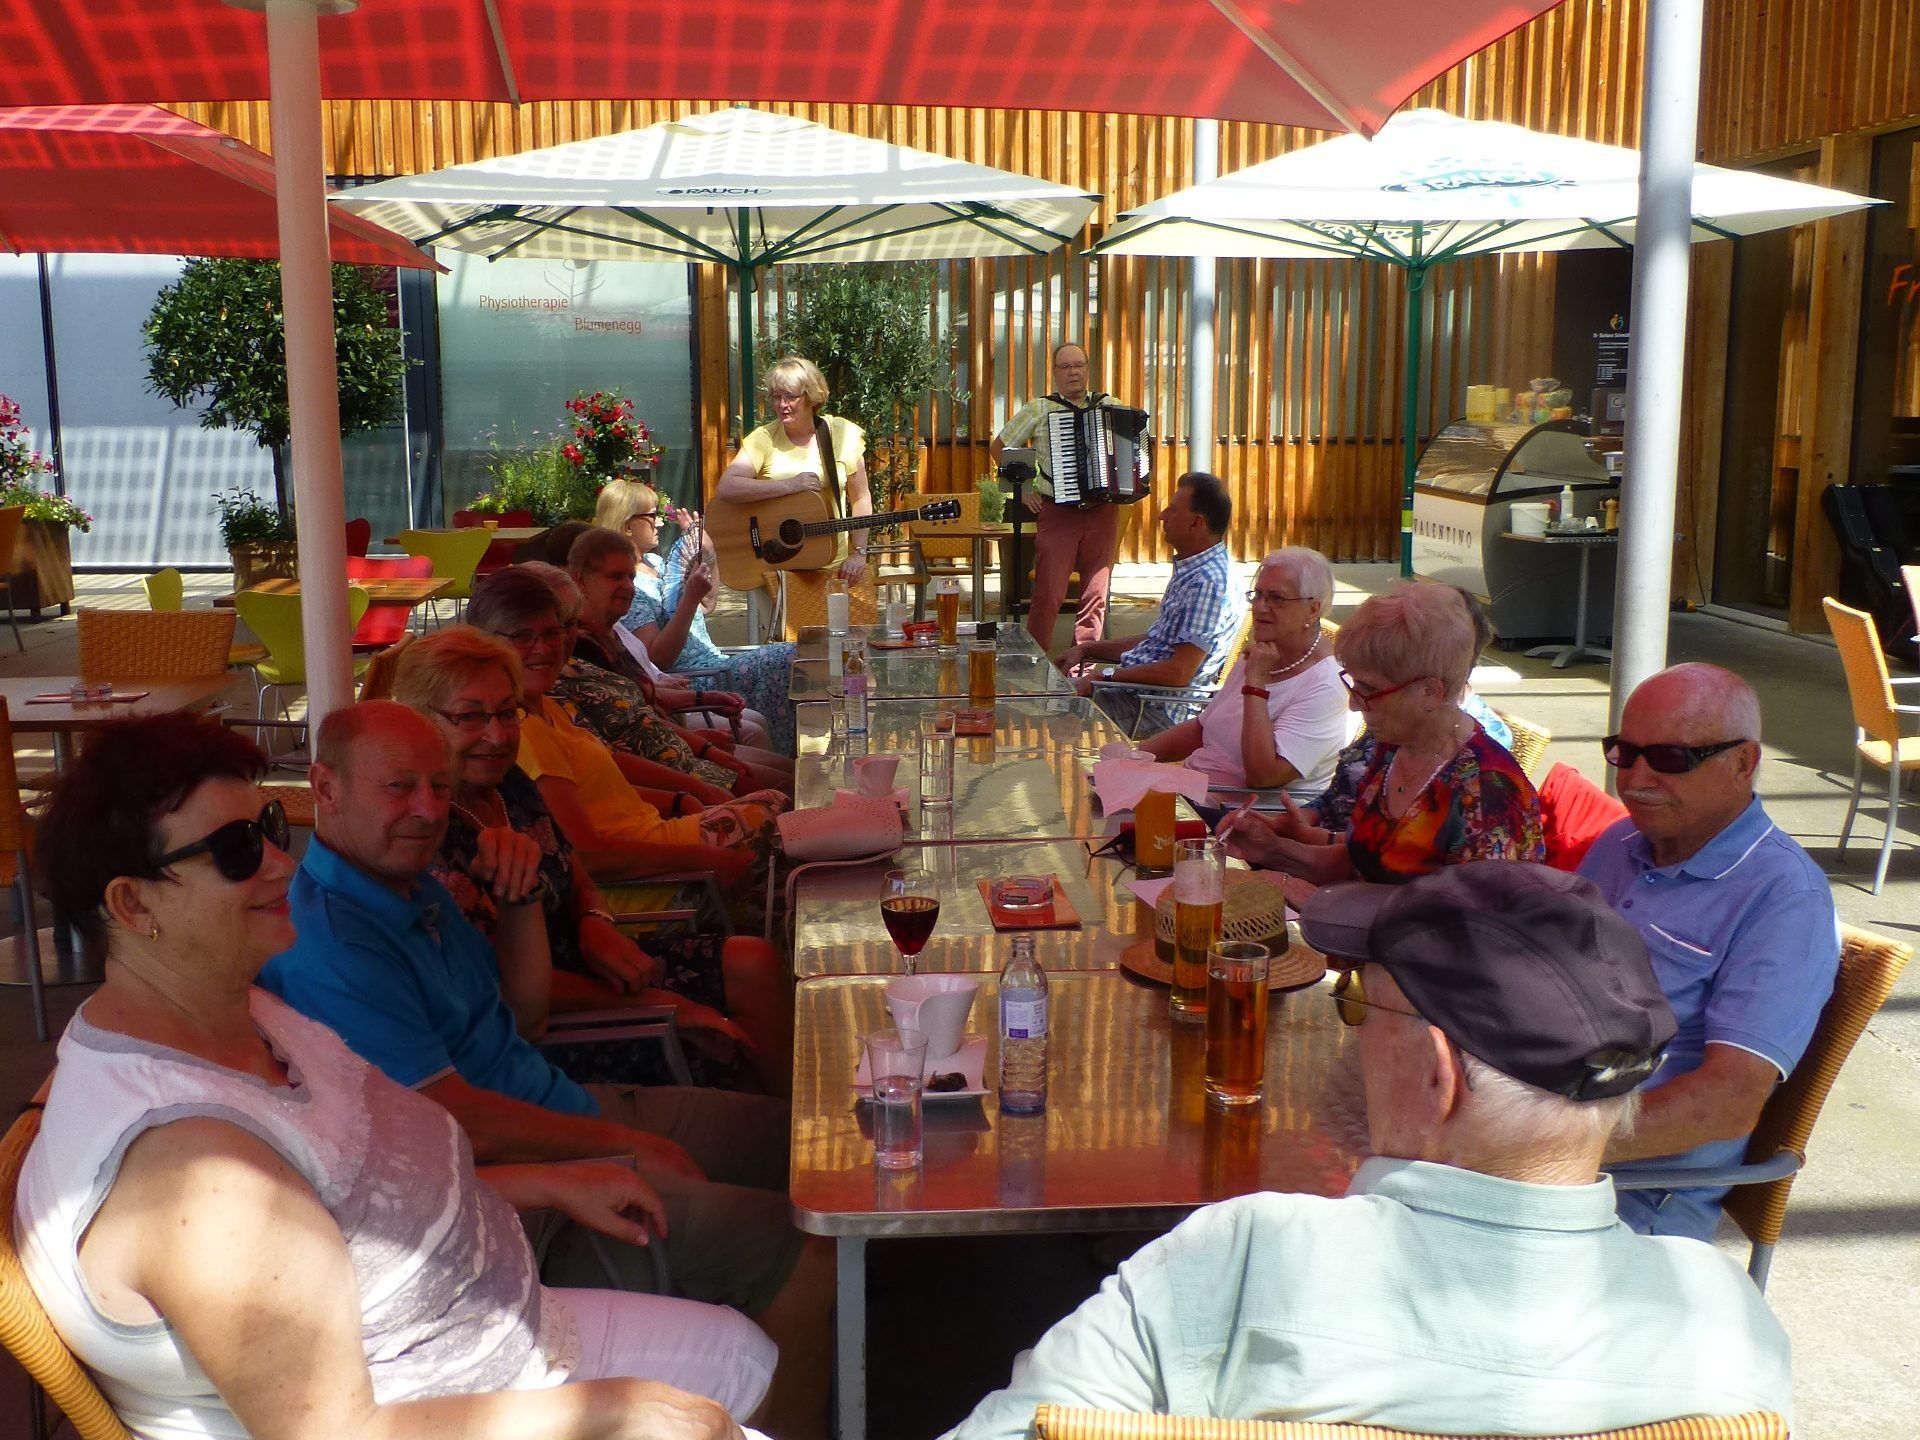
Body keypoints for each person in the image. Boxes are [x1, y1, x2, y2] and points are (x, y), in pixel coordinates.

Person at [17, 715, 775, 1440]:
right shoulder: (202, 1179)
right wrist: (614, 1413)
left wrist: (549, 1181)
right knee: (766, 1332)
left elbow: (360, 1190)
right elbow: (335, 1432)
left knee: (756, 1354)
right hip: (447, 1395)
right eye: (238, 849)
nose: (284, 862)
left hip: (479, 1331)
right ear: (131, 902)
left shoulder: (236, 1013)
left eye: (274, 830)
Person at [943, 863, 1793, 1440]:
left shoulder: (1242, 1260)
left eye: (1357, 1008)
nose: (1346, 1039)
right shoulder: (1727, 1324)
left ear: (1437, 1075)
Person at [259, 702, 830, 1439]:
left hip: (558, 1104)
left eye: (440, 786)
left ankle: (837, 1318)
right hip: (512, 1199)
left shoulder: (414, 887)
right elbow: (457, 1121)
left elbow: (522, 1021)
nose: (429, 810)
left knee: (806, 1141)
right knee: (803, 1245)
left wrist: (521, 902)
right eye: (399, 788)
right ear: (324, 788)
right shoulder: (333, 943)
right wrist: (607, 1143)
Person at [390, 624, 792, 1092]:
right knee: (738, 1039)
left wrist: (595, 921)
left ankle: (790, 1117)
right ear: (419, 721)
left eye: (507, 713)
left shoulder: (509, 786)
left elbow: (572, 865)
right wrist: (668, 1004)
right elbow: (499, 990)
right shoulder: (426, 839)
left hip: (596, 965)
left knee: (754, 960)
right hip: (556, 1030)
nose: (497, 736)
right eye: (470, 717)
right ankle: (766, 1130)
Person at [1580, 662, 1840, 1241]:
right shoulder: (1622, 843)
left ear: (1743, 762)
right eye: (1625, 752)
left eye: (1671, 758)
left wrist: (1538, 1140)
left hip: (1630, 1203)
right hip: (1551, 1150)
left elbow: (1724, 1103)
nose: (1636, 779)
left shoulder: (1783, 898)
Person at [465, 567, 783, 907]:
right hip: (653, 886)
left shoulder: (545, 706)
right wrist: (702, 857)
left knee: (779, 807)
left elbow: (606, 778)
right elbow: (586, 852)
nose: (545, 647)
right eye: (522, 636)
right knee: (777, 813)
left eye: (554, 631)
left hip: (660, 830)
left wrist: (679, 797)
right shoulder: (523, 729)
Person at [1220, 579, 1542, 896]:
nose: (1353, 704)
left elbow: (1473, 935)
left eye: (1370, 690)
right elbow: (1358, 862)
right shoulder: (1393, 747)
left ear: (1430, 692)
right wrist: (1272, 850)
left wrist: (1326, 906)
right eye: (1354, 684)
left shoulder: (1487, 794)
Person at [527, 555, 793, 797]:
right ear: (582, 581)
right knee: (786, 786)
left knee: (793, 773)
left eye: (569, 623)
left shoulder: (588, 659)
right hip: (676, 768)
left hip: (683, 753)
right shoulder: (558, 682)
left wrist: (703, 747)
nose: (628, 587)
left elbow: (642, 713)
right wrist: (687, 794)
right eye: (616, 577)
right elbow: (612, 762)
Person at [598, 477, 799, 754]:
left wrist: (709, 554)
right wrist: (689, 597)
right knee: (791, 656)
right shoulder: (630, 587)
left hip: (717, 664)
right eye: (653, 516)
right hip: (695, 678)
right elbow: (658, 657)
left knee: (798, 654)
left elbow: (708, 604)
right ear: (626, 526)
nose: (660, 523)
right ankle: (798, 756)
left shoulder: (656, 563)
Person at [1139, 546, 1349, 796]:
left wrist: (1255, 683)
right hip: (1192, 792)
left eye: (1276, 598)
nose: (1260, 607)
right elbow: (1202, 729)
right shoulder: (1263, 653)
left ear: (1313, 610)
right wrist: (1136, 756)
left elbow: (1264, 775)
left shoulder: (1327, 685)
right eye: (1258, 595)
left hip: (1240, 817)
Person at [1061, 472, 1244, 736]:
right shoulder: (1194, 569)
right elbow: (1155, 642)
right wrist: (1087, 648)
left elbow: (1179, 672)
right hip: (1137, 697)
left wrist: (1106, 676)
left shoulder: (1208, 582)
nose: (1162, 516)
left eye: (1172, 509)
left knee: (1052, 715)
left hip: (1156, 711)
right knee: (1047, 698)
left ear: (1196, 522)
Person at [715, 356, 875, 646]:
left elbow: (861, 498)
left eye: (790, 396)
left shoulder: (841, 435)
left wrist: (858, 553)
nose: (781, 405)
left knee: (843, 651)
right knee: (790, 654)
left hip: (834, 568)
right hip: (778, 569)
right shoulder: (764, 438)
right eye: (775, 396)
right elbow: (727, 487)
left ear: (811, 396)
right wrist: (790, 485)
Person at [989, 341, 1126, 651]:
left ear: (1087, 370)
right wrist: (1023, 491)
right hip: (1058, 510)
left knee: (1095, 594)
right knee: (1049, 592)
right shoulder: (1039, 408)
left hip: (1102, 509)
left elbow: (1132, 443)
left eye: (1078, 365)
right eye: (1065, 367)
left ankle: (1083, 665)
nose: (1073, 372)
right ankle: (1034, 661)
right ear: (1054, 373)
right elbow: (999, 447)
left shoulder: (1110, 405)